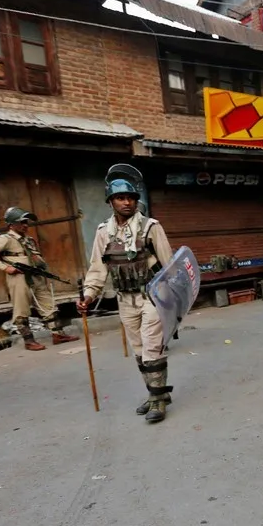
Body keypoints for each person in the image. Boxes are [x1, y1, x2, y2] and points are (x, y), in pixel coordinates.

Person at [76, 165, 176, 423]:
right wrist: (88, 295)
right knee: (140, 350)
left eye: (131, 197)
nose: (127, 202)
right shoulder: (103, 233)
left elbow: (169, 265)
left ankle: (157, 401)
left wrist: (174, 299)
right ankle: (156, 393)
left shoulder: (150, 227)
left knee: (152, 346)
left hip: (151, 296)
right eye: (121, 198)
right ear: (111, 201)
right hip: (124, 299)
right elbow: (97, 269)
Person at [0, 207, 79, 351]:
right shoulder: (5, 239)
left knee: (48, 305)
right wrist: (5, 267)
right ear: (12, 224)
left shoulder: (29, 240)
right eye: (22, 222)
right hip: (19, 277)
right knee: (21, 309)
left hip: (36, 276)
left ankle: (58, 334)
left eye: (26, 222)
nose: (26, 225)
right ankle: (29, 341)